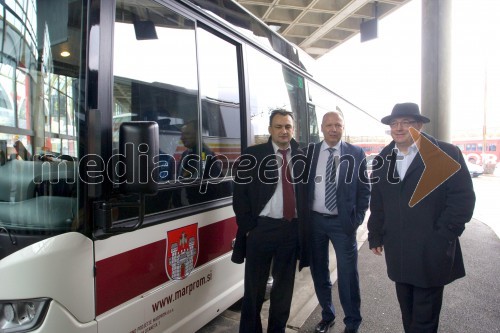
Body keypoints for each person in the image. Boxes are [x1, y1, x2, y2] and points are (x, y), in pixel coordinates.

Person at [367, 102, 475, 333]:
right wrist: (375, 234)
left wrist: (442, 236)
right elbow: (378, 203)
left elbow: (462, 200)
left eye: (406, 122)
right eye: (394, 123)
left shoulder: (447, 153)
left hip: (431, 252)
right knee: (408, 312)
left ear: (419, 125)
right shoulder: (382, 160)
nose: (399, 128)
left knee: (424, 319)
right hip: (399, 252)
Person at [232, 109, 309, 333]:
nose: (284, 131)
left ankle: (277, 330)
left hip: (290, 230)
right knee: (254, 289)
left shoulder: (302, 157)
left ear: (293, 129)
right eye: (279, 126)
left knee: (284, 290)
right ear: (270, 130)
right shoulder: (253, 155)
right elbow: (240, 196)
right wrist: (249, 228)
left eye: (288, 127)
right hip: (261, 230)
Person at [307, 111, 370, 333]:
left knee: (347, 275)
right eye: (329, 125)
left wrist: (358, 219)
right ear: (322, 128)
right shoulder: (310, 152)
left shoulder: (356, 153)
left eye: (338, 125)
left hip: (343, 224)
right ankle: (327, 315)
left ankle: (352, 323)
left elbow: (364, 190)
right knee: (319, 271)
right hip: (315, 223)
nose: (333, 129)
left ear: (343, 128)